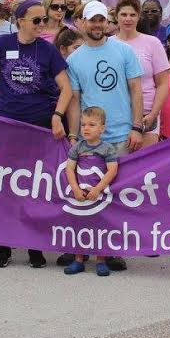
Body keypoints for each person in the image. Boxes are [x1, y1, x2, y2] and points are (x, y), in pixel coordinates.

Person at [0, 0, 72, 268]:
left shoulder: (47, 50)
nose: (41, 25)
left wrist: (58, 116)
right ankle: (4, 244)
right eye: (36, 20)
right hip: (6, 124)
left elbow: (67, 88)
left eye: (44, 20)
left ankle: (34, 245)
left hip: (38, 127)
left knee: (34, 187)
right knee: (6, 187)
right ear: (20, 20)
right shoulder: (3, 44)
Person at [65, 0, 143, 272]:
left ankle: (110, 250)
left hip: (121, 134)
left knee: (115, 195)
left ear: (107, 22)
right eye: (92, 20)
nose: (97, 25)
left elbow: (136, 89)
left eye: (101, 20)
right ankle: (83, 250)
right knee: (87, 194)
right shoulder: (74, 59)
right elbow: (74, 100)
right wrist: (75, 136)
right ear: (83, 22)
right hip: (90, 139)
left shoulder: (123, 51)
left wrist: (137, 126)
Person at [63, 106, 120, 276]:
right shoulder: (77, 148)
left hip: (99, 195)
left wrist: (97, 189)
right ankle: (78, 259)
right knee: (79, 226)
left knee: (100, 228)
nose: (86, 128)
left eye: (92, 125)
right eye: (83, 125)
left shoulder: (108, 149)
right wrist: (75, 189)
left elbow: (112, 170)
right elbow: (69, 169)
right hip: (80, 196)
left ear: (102, 128)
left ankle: (101, 260)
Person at [112, 0, 170, 148]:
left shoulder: (153, 43)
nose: (128, 19)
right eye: (123, 14)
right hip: (117, 116)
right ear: (116, 17)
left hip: (146, 115)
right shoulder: (108, 44)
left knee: (146, 167)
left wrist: (153, 114)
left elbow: (163, 83)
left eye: (132, 15)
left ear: (138, 17)